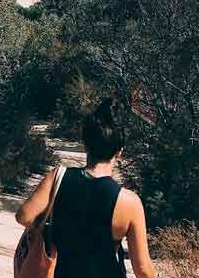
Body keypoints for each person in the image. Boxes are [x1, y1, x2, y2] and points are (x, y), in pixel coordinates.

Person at [16, 98, 155, 278]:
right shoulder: (129, 202)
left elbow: (23, 216)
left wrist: (59, 225)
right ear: (120, 152)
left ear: (86, 144)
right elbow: (143, 270)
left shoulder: (58, 177)